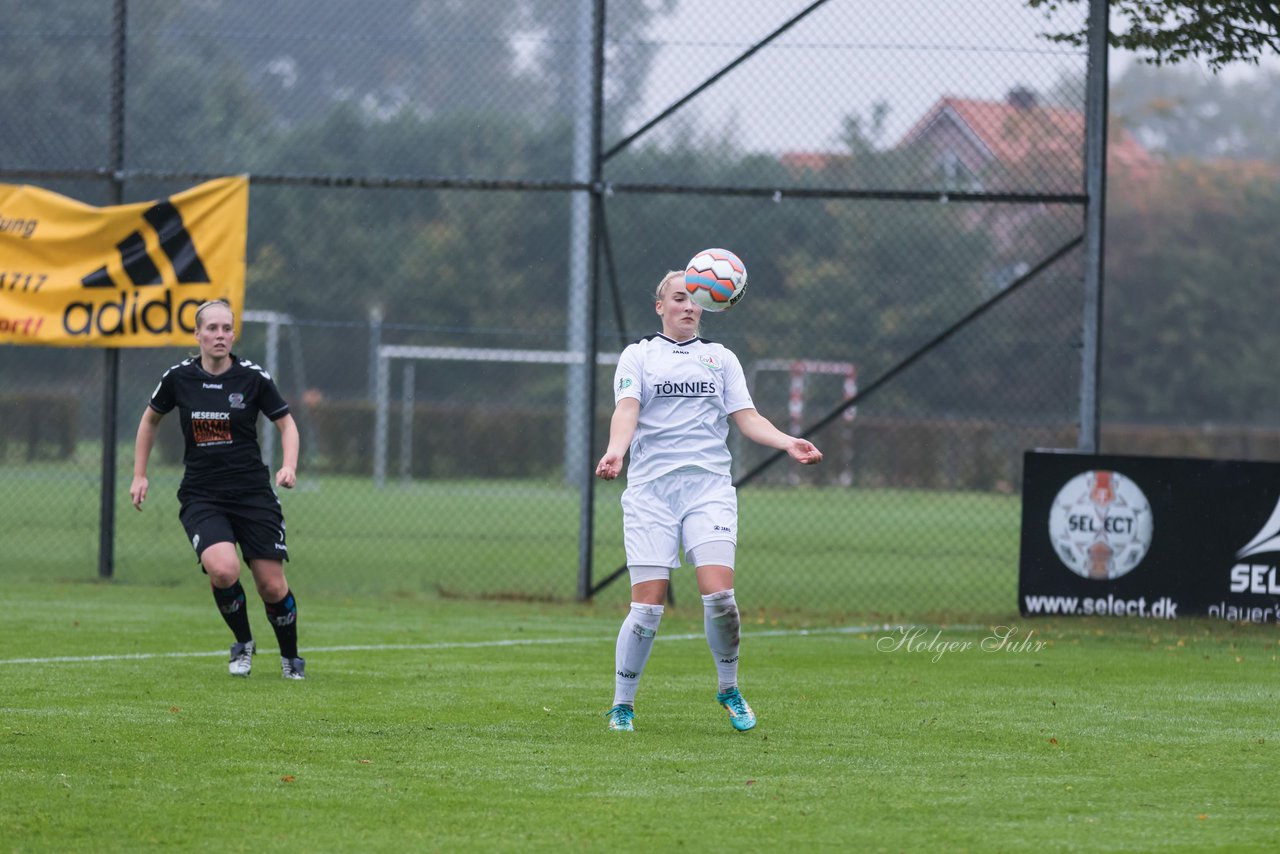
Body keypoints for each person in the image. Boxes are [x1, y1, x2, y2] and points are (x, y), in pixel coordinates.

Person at [595, 269, 823, 732]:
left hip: (709, 490)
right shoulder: (638, 356)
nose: (688, 306)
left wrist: (786, 442)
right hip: (650, 495)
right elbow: (627, 409)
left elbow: (748, 417)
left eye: (696, 299)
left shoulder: (721, 359)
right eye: (679, 298)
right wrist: (616, 451)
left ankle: (728, 687)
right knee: (648, 608)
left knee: (720, 596)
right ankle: (622, 704)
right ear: (661, 306)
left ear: (709, 305)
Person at [130, 298, 306, 680]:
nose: (220, 335)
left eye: (227, 328)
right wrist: (139, 474)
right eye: (212, 328)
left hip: (252, 495)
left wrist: (288, 466)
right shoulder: (178, 378)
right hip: (202, 495)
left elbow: (288, 425)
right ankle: (242, 643)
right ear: (197, 334)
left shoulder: (253, 377)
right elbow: (149, 421)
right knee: (223, 570)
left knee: (272, 586)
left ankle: (291, 657)